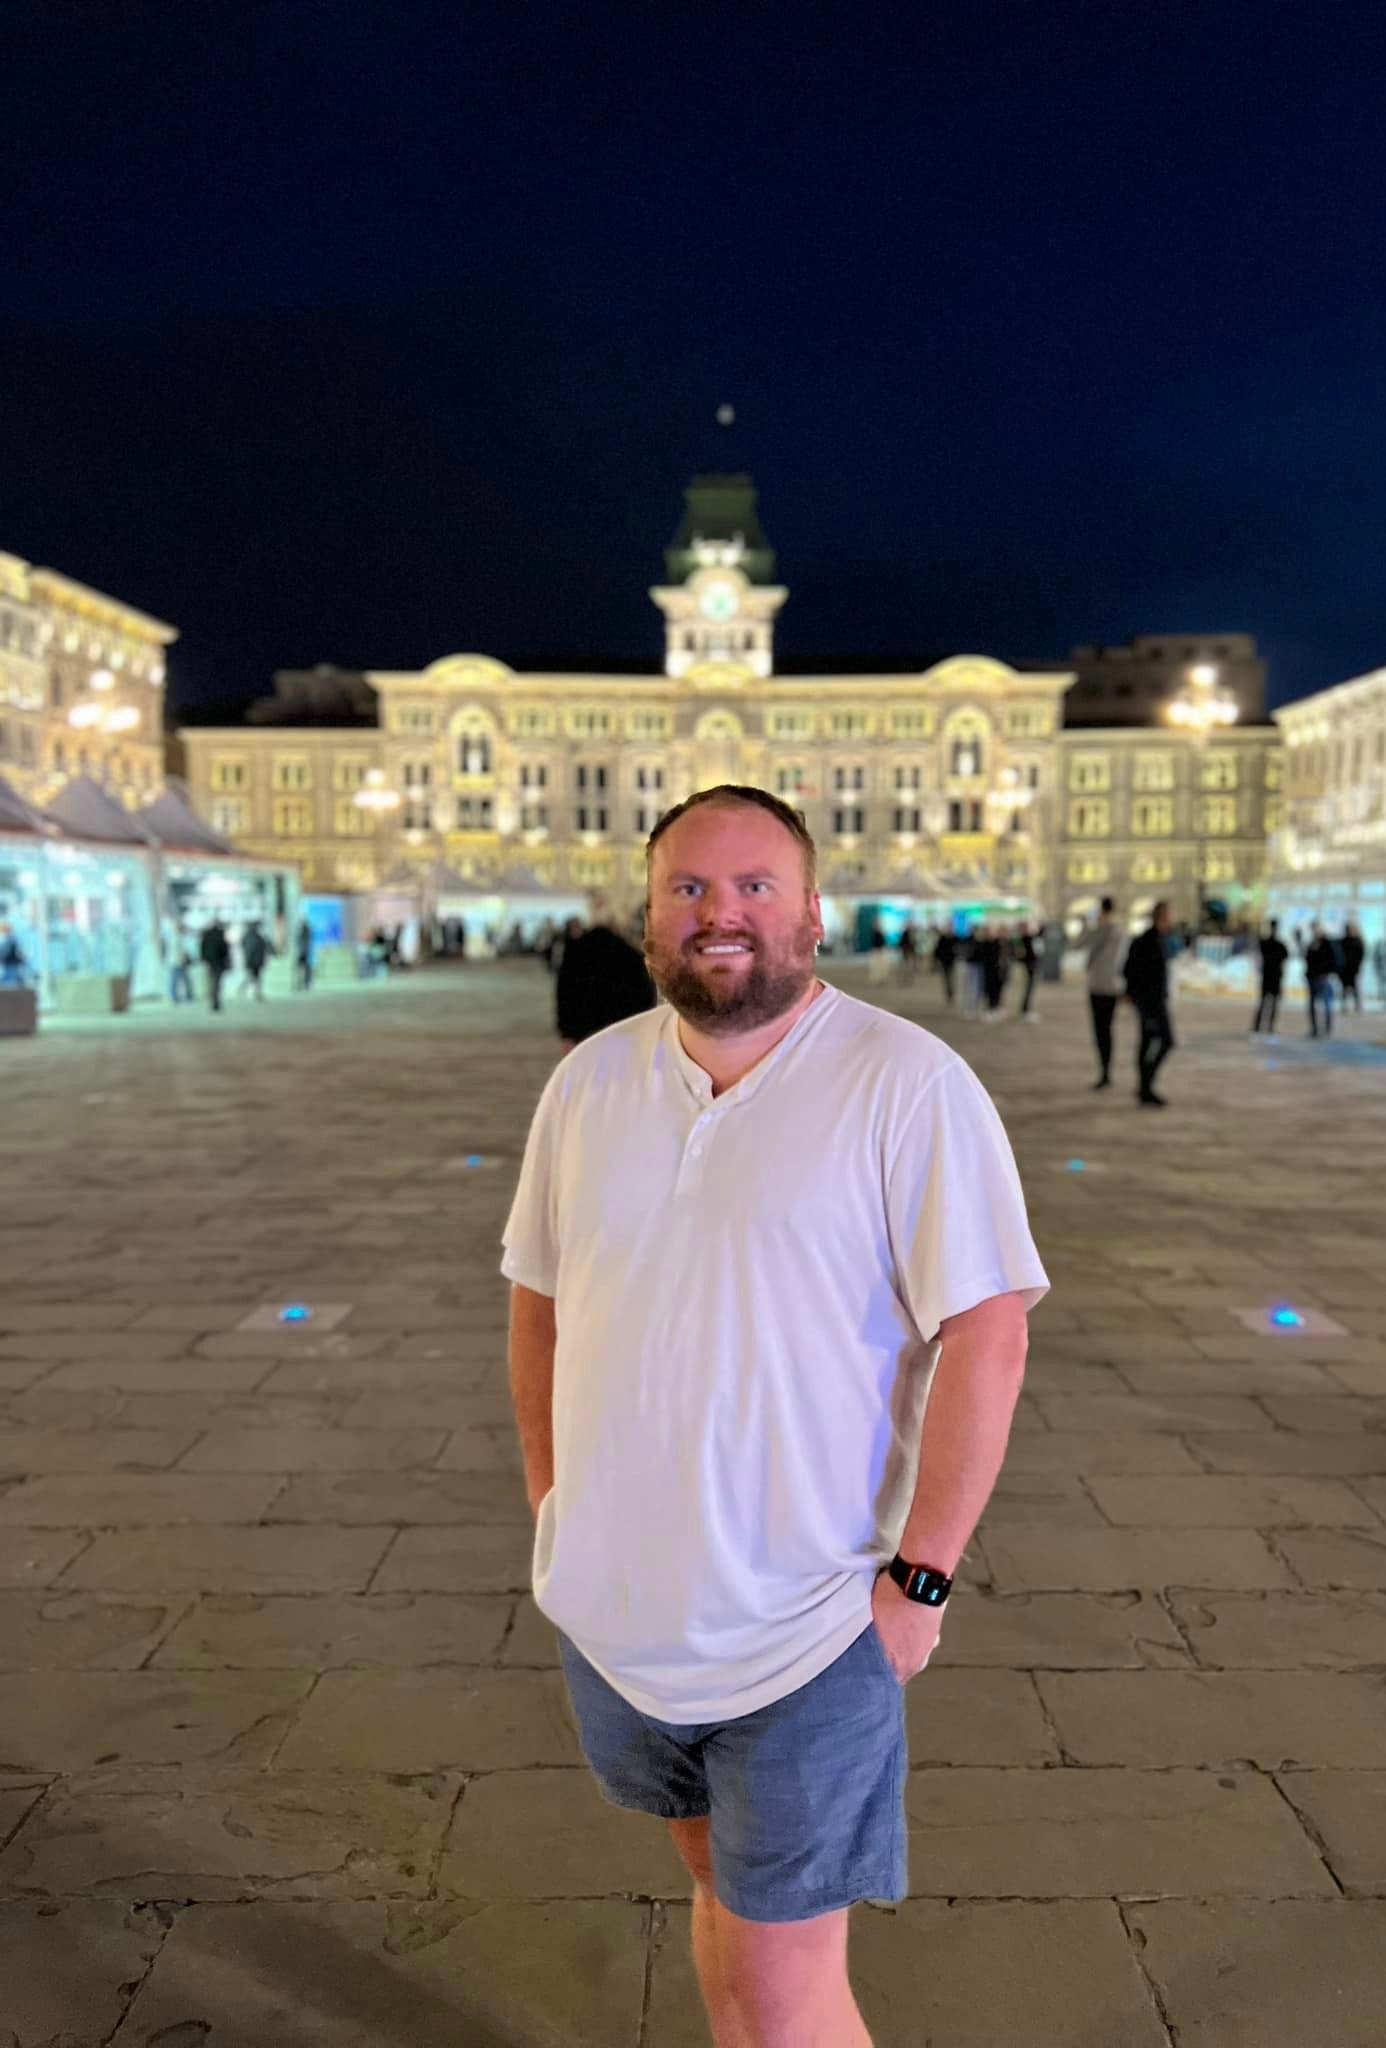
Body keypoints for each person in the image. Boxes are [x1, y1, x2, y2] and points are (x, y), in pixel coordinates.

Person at [504, 785, 1048, 2046]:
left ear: (813, 910)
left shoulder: (908, 1080)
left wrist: (919, 1584)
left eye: (755, 886)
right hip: (620, 1620)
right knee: (722, 1903)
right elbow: (539, 1300)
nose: (721, 913)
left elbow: (991, 1332)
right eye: (690, 888)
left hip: (811, 1626)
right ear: (649, 916)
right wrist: (552, 1502)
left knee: (788, 1984)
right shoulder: (590, 1083)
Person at [554, 901, 657, 1051]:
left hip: (584, 1031)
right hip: (624, 1030)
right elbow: (645, 993)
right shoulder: (629, 954)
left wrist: (566, 1032)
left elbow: (565, 993)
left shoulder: (575, 953)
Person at [1122, 900, 1175, 1107]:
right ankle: (1146, 1086)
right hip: (1150, 1002)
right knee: (1164, 1041)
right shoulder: (1148, 940)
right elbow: (1131, 968)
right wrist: (1134, 995)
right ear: (1162, 916)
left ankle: (1145, 1086)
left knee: (1148, 1042)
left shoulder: (1159, 938)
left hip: (1153, 1000)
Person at [1084, 896, 1124, 1090]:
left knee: (1101, 1030)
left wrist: (1087, 924)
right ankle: (1107, 1070)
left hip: (1098, 984)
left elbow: (1078, 943)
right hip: (1113, 985)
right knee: (1107, 1029)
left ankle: (1105, 1071)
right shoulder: (1120, 929)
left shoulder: (1101, 928)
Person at [1254, 919, 1289, 1035]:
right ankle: (1264, 1025)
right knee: (1267, 1002)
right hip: (1271, 977)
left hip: (1272, 977)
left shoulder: (1272, 944)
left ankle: (1264, 1025)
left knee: (1267, 1002)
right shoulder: (1275, 944)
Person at [1306, 923, 1338, 1038]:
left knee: (1327, 1003)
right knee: (1313, 1004)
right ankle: (1314, 1028)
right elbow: (1308, 960)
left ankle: (1327, 1027)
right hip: (1312, 977)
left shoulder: (1327, 944)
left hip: (1323, 977)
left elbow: (1332, 960)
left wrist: (1326, 973)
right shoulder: (1312, 944)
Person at [199, 918, 231, 1013]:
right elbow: (225, 949)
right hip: (219, 962)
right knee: (217, 982)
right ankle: (215, 1001)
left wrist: (204, 959)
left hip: (210, 962)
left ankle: (214, 1001)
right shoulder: (221, 934)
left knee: (212, 982)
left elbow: (203, 948)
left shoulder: (207, 934)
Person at [1014, 922, 1039, 1020]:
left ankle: (1026, 1009)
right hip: (1027, 967)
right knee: (1027, 988)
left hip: (1031, 966)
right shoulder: (1021, 940)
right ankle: (1024, 1010)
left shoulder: (1029, 938)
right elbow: (1020, 955)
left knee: (1030, 988)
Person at [1339, 921, 1365, 1013]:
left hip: (1354, 969)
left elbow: (1361, 955)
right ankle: (1344, 1006)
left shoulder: (1358, 941)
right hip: (1345, 969)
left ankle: (1357, 1006)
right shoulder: (1343, 941)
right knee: (1344, 988)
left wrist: (1358, 966)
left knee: (1355, 988)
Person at [932, 926, 957, 1006]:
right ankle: (949, 994)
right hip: (945, 962)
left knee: (952, 979)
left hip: (953, 962)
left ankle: (952, 994)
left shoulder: (954, 939)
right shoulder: (942, 939)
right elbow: (937, 950)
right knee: (947, 979)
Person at [0, 921, 28, 986]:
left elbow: (6, 954)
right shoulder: (7, 941)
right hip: (7, 969)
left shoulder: (11, 941)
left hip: (11, 969)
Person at [294, 916, 313, 994]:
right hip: (305, 952)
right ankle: (304, 984)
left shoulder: (302, 932)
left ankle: (301, 983)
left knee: (300, 968)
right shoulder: (307, 932)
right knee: (304, 968)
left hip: (302, 952)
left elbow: (298, 942)